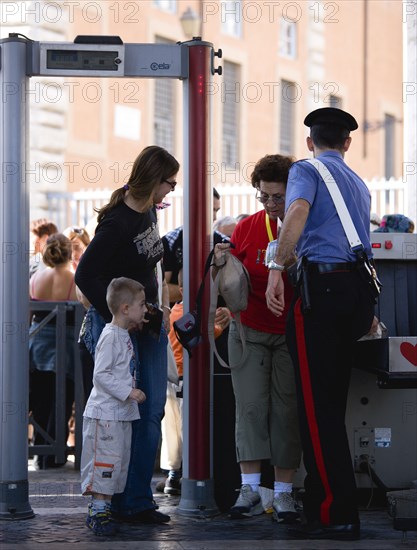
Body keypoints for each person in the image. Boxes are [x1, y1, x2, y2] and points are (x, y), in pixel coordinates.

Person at [265, 107, 375, 541]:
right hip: (354, 294)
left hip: (322, 292)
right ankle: (325, 503)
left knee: (316, 410)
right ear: (346, 144)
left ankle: (335, 513)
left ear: (310, 142)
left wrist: (276, 265)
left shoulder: (304, 170)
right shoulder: (358, 183)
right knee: (330, 407)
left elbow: (295, 213)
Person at [75, 145, 180, 524]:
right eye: (169, 183)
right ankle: (112, 498)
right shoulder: (117, 222)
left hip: (147, 323)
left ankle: (137, 499)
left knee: (151, 410)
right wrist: (119, 319)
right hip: (121, 328)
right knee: (120, 413)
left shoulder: (148, 211)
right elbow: (85, 275)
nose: (171, 191)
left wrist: (155, 311)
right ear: (153, 180)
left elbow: (152, 266)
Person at [213, 154, 302, 523]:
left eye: (277, 197)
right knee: (249, 408)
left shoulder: (305, 227)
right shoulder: (247, 227)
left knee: (286, 412)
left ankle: (283, 493)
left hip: (290, 332)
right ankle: (249, 487)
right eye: (263, 196)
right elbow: (233, 276)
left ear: (293, 194)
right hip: (248, 329)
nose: (269, 204)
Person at [81, 277, 148, 536]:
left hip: (119, 414)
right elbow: (101, 375)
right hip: (105, 414)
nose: (145, 309)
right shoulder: (110, 337)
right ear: (125, 309)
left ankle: (104, 507)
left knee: (116, 461)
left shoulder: (123, 334)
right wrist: (128, 392)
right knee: (105, 462)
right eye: (141, 305)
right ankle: (98, 510)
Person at [159, 269, 227, 495]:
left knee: (171, 432)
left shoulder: (172, 313)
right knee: (186, 430)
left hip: (170, 379)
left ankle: (172, 475)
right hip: (185, 379)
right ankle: (183, 475)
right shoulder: (191, 315)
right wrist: (225, 323)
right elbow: (210, 334)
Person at [29, 233, 77, 469]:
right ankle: (54, 456)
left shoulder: (36, 277)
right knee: (63, 399)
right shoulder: (72, 278)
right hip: (64, 347)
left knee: (40, 400)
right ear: (69, 252)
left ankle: (39, 450)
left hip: (37, 343)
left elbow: (28, 313)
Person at [162, 187, 224, 305]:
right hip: (180, 317)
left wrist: (227, 311)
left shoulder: (223, 241)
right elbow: (163, 290)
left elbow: (234, 288)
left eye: (216, 210)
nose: (215, 217)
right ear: (193, 208)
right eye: (211, 210)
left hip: (216, 319)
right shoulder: (169, 241)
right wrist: (206, 291)